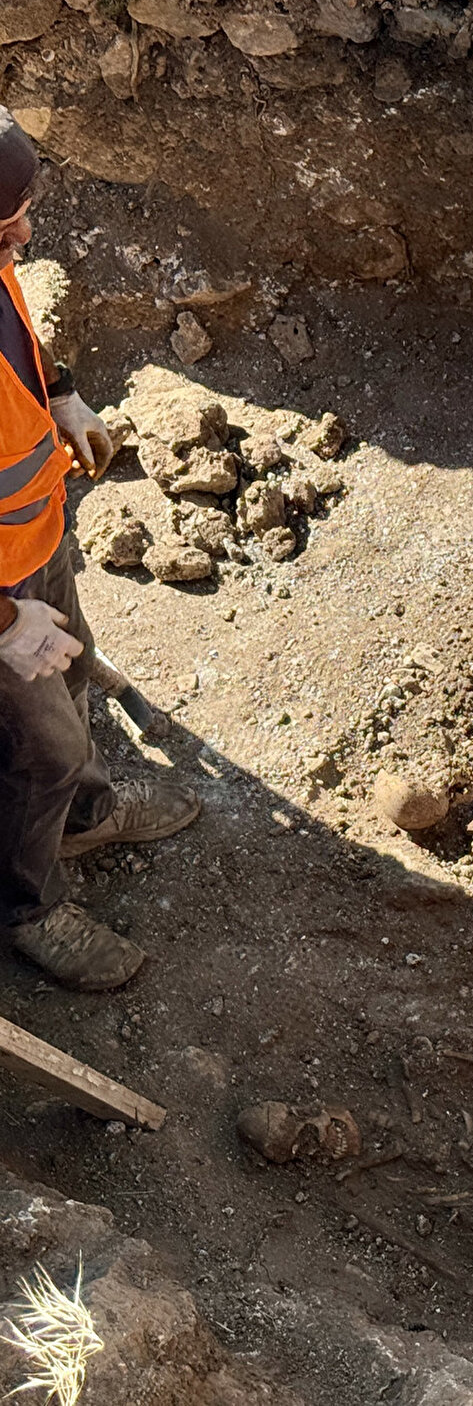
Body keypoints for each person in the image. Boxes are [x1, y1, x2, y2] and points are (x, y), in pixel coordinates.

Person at [0, 107, 200, 991]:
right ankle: (27, 906)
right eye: (10, 221)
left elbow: (20, 338)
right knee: (32, 748)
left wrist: (65, 396)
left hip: (37, 543)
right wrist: (5, 620)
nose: (27, 232)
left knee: (75, 680)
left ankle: (85, 809)